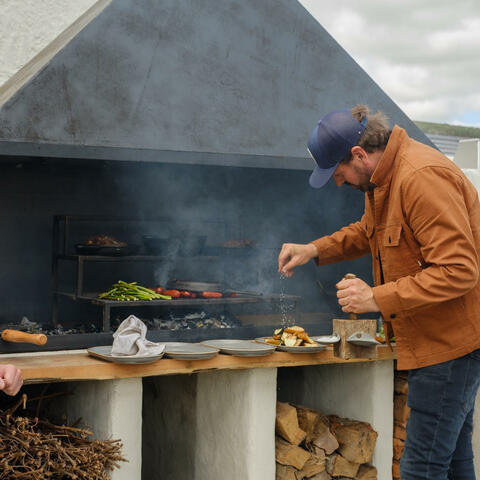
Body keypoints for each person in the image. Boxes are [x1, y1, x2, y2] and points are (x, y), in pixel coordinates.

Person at [278, 105, 480, 480]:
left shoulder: (420, 177)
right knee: (451, 463)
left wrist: (376, 298)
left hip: (450, 347)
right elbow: (366, 231)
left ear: (358, 155)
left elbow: (459, 270)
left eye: (338, 173)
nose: (338, 182)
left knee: (422, 468)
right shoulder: (384, 179)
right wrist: (314, 249)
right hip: (436, 342)